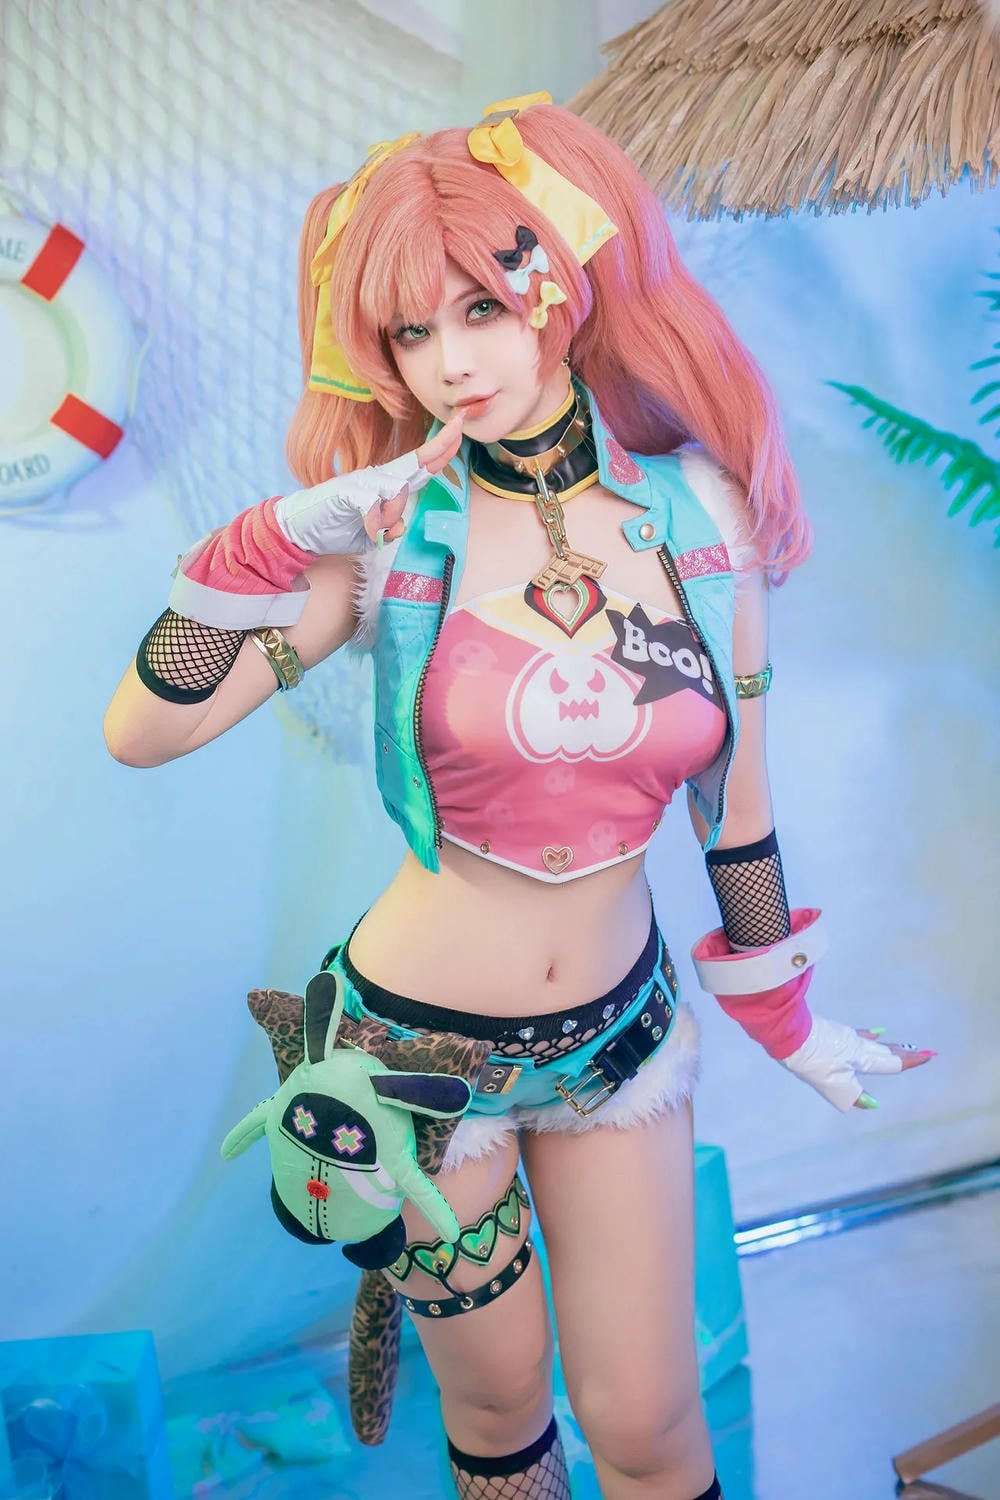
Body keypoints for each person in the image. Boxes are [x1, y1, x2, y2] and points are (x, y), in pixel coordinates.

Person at [103, 91, 935, 1500]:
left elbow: (735, 801)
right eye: (409, 333)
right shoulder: (384, 533)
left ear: (560, 283)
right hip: (409, 1060)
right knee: (499, 1424)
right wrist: (267, 539)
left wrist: (788, 1018)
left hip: (620, 1042)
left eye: (479, 309)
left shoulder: (698, 514)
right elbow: (145, 726)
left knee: (650, 1425)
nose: (449, 363)